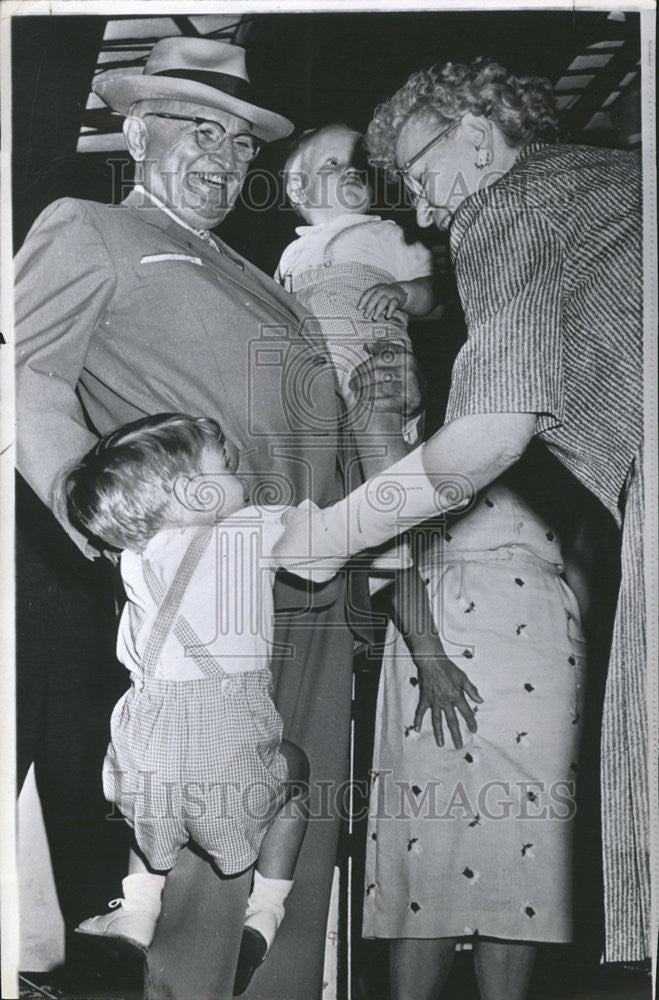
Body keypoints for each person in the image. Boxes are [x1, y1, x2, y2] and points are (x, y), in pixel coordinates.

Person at [13, 36, 420, 999]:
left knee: (295, 824)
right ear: (135, 129)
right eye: (197, 128)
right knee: (203, 840)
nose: (222, 156)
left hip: (306, 574)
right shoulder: (89, 227)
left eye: (240, 143)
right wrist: (104, 506)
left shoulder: (244, 263)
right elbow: (22, 374)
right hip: (214, 589)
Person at [351, 55, 647, 982]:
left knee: (545, 851)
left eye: (419, 181)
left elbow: (498, 437)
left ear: (475, 138)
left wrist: (324, 538)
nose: (427, 215)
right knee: (431, 857)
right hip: (458, 626)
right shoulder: (611, 186)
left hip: (541, 628)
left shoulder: (509, 218)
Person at [58, 412, 440, 992]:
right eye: (227, 467)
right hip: (224, 736)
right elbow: (333, 539)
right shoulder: (250, 529)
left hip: (145, 740)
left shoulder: (132, 556)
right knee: (295, 772)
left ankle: (137, 911)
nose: (241, 477)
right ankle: (265, 912)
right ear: (194, 490)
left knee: (152, 817)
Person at [277, 122, 435, 483]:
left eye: (359, 166)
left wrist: (404, 292)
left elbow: (431, 295)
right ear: (299, 189)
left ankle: (397, 523)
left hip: (370, 349)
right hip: (312, 361)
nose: (351, 170)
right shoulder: (290, 254)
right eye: (332, 163)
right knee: (325, 456)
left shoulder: (389, 232)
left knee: (379, 430)